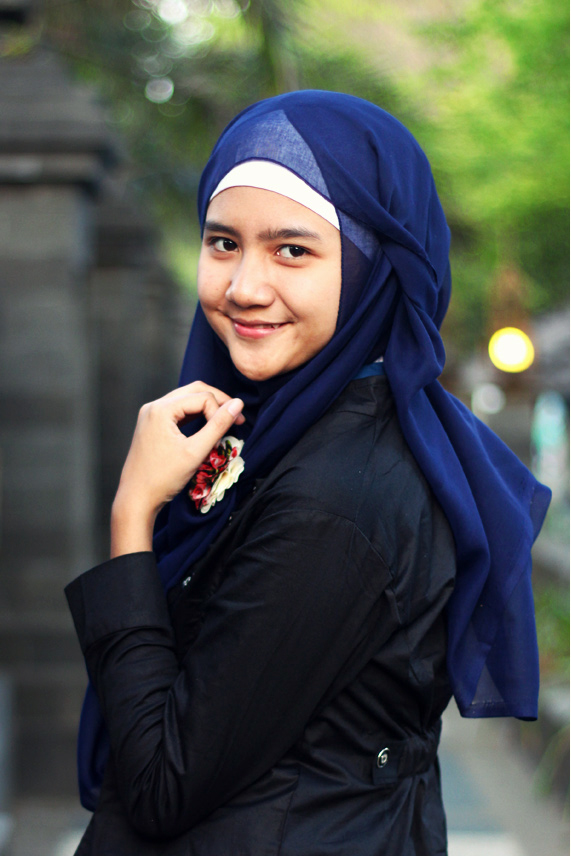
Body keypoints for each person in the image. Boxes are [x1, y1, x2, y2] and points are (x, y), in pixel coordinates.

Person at [65, 91, 551, 855]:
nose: (244, 286)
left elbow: (162, 782)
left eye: (291, 250)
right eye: (222, 242)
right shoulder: (295, 433)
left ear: (373, 270)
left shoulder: (333, 500)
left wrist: (132, 515)